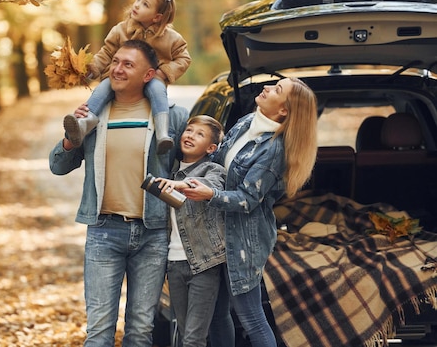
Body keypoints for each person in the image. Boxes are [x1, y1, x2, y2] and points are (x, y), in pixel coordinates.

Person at [49, 39, 189, 347]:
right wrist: (72, 137)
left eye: (128, 64)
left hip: (153, 234)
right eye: (115, 62)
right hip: (104, 232)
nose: (117, 69)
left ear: (149, 75)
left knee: (140, 331)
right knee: (99, 333)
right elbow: (58, 166)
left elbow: (195, 169)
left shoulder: (173, 117)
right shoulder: (92, 115)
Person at [183, 78, 318, 347]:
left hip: (244, 241)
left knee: (252, 319)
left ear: (283, 111)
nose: (267, 88)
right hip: (217, 233)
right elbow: (217, 161)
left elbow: (247, 199)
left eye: (277, 90)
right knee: (218, 315)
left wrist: (210, 194)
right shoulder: (248, 122)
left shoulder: (274, 149)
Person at [63, 0, 191, 155]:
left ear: (157, 17)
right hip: (119, 78)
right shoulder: (121, 30)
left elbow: (184, 58)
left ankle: (162, 133)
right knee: (102, 89)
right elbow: (106, 53)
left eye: (145, 4)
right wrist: (92, 69)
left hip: (152, 78)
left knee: (158, 90)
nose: (137, 5)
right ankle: (85, 123)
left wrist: (163, 72)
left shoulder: (170, 38)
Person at [152, 115, 227, 347]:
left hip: (203, 264)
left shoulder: (213, 169)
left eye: (200, 134)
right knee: (184, 335)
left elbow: (211, 188)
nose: (191, 136)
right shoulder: (170, 172)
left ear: (211, 148)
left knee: (194, 338)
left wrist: (180, 185)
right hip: (174, 264)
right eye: (189, 130)